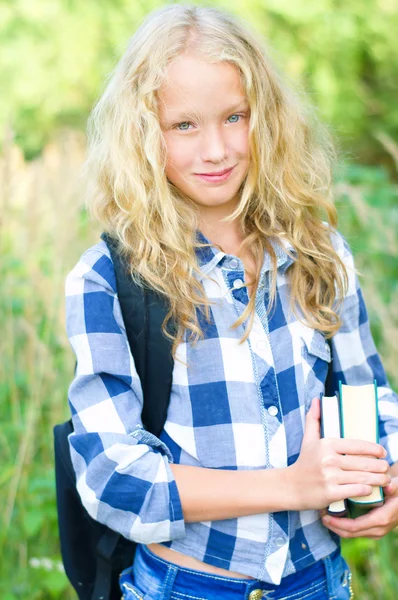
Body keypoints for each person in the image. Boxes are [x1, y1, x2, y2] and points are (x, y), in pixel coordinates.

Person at [65, 4, 398, 599]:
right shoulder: (108, 279)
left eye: (234, 117)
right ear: (143, 133)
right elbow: (110, 475)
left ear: (265, 117)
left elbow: (372, 405)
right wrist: (292, 487)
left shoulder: (321, 254)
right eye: (184, 126)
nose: (216, 149)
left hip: (319, 582)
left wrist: (390, 480)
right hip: (185, 585)